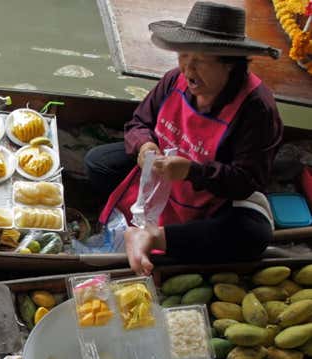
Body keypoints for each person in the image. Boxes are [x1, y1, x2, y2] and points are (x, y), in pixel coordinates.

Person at [85, 1, 283, 275]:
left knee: (253, 234)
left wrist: (193, 171)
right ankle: (176, 238)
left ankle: (153, 237)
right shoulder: (174, 80)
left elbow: (247, 181)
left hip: (214, 197)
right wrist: (145, 146)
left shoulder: (256, 108)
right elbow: (138, 122)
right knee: (97, 163)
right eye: (183, 57)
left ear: (230, 65)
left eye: (199, 61)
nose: (188, 70)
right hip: (164, 174)